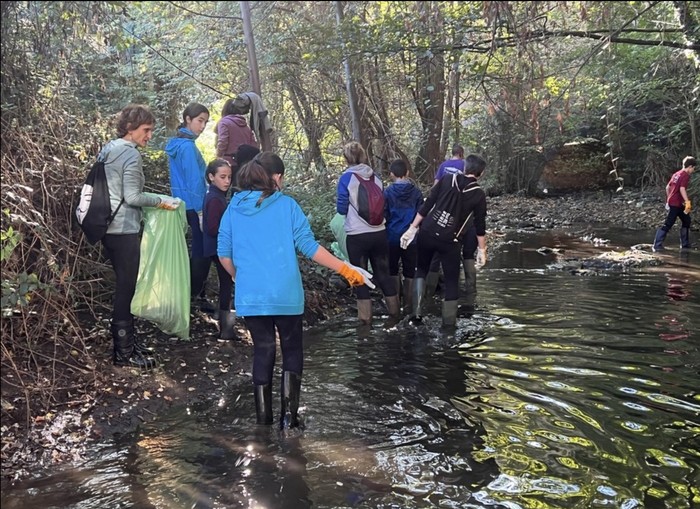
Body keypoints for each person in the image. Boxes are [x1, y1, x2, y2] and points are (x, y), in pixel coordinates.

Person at [217, 152, 374, 429]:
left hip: (251, 296)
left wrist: (241, 278)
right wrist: (347, 270)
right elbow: (309, 247)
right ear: (276, 178)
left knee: (263, 350)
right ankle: (289, 419)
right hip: (285, 293)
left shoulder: (232, 209)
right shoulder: (287, 205)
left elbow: (224, 254)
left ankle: (263, 422)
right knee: (291, 349)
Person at [101, 104, 180, 369]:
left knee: (125, 285)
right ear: (130, 129)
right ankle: (124, 354)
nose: (149, 136)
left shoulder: (108, 149)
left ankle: (129, 344)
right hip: (123, 229)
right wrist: (162, 201)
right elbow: (133, 197)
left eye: (151, 130)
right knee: (127, 288)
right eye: (146, 130)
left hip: (107, 228)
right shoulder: (130, 155)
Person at [400, 154, 488, 326]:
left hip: (428, 231)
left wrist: (412, 228)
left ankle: (417, 314)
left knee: (421, 269)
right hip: (451, 241)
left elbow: (428, 204)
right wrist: (482, 250)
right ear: (481, 173)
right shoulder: (478, 194)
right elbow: (479, 225)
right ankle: (448, 328)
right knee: (451, 281)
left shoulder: (447, 178)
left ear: (464, 168)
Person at [336, 141, 400, 324]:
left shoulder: (346, 179)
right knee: (383, 274)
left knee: (359, 278)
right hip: (380, 233)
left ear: (346, 158)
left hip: (357, 236)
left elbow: (341, 209)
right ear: (363, 156)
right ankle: (395, 316)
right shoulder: (376, 177)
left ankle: (365, 325)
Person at [165, 103, 215, 314]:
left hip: (183, 203)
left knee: (198, 250)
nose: (202, 126)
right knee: (202, 251)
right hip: (194, 206)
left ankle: (195, 295)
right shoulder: (186, 147)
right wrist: (202, 211)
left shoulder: (177, 144)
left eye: (205, 122)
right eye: (199, 121)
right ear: (187, 119)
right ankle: (195, 296)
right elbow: (194, 181)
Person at [425, 144, 466, 297]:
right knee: (453, 242)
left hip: (440, 206)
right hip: (456, 208)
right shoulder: (464, 165)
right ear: (461, 154)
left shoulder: (443, 165)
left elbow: (435, 186)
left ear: (452, 153)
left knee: (436, 246)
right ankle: (461, 286)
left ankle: (429, 289)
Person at [384, 159, 424, 313]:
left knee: (392, 270)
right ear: (407, 173)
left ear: (392, 175)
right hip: (411, 237)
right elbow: (421, 214)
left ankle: (395, 305)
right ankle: (408, 306)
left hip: (392, 236)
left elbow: (384, 215)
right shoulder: (416, 192)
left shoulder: (387, 192)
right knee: (410, 272)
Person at [202, 159, 236, 339]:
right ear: (211, 177)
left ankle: (225, 325)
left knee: (227, 283)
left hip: (216, 247)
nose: (227, 181)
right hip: (218, 248)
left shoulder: (216, 196)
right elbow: (213, 228)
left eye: (229, 177)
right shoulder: (215, 198)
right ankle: (226, 329)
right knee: (226, 283)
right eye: (222, 177)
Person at [653, 156, 695, 251]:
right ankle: (657, 244)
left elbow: (667, 187)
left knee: (686, 220)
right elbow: (682, 189)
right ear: (690, 167)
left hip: (677, 203)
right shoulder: (685, 175)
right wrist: (687, 202)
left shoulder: (676, 174)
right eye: (693, 168)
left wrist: (668, 199)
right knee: (669, 223)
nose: (693, 170)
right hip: (676, 204)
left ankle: (685, 244)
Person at [216, 98, 258, 170]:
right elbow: (253, 144)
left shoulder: (224, 122)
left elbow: (223, 141)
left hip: (229, 163)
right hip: (245, 165)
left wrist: (218, 156)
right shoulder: (246, 126)